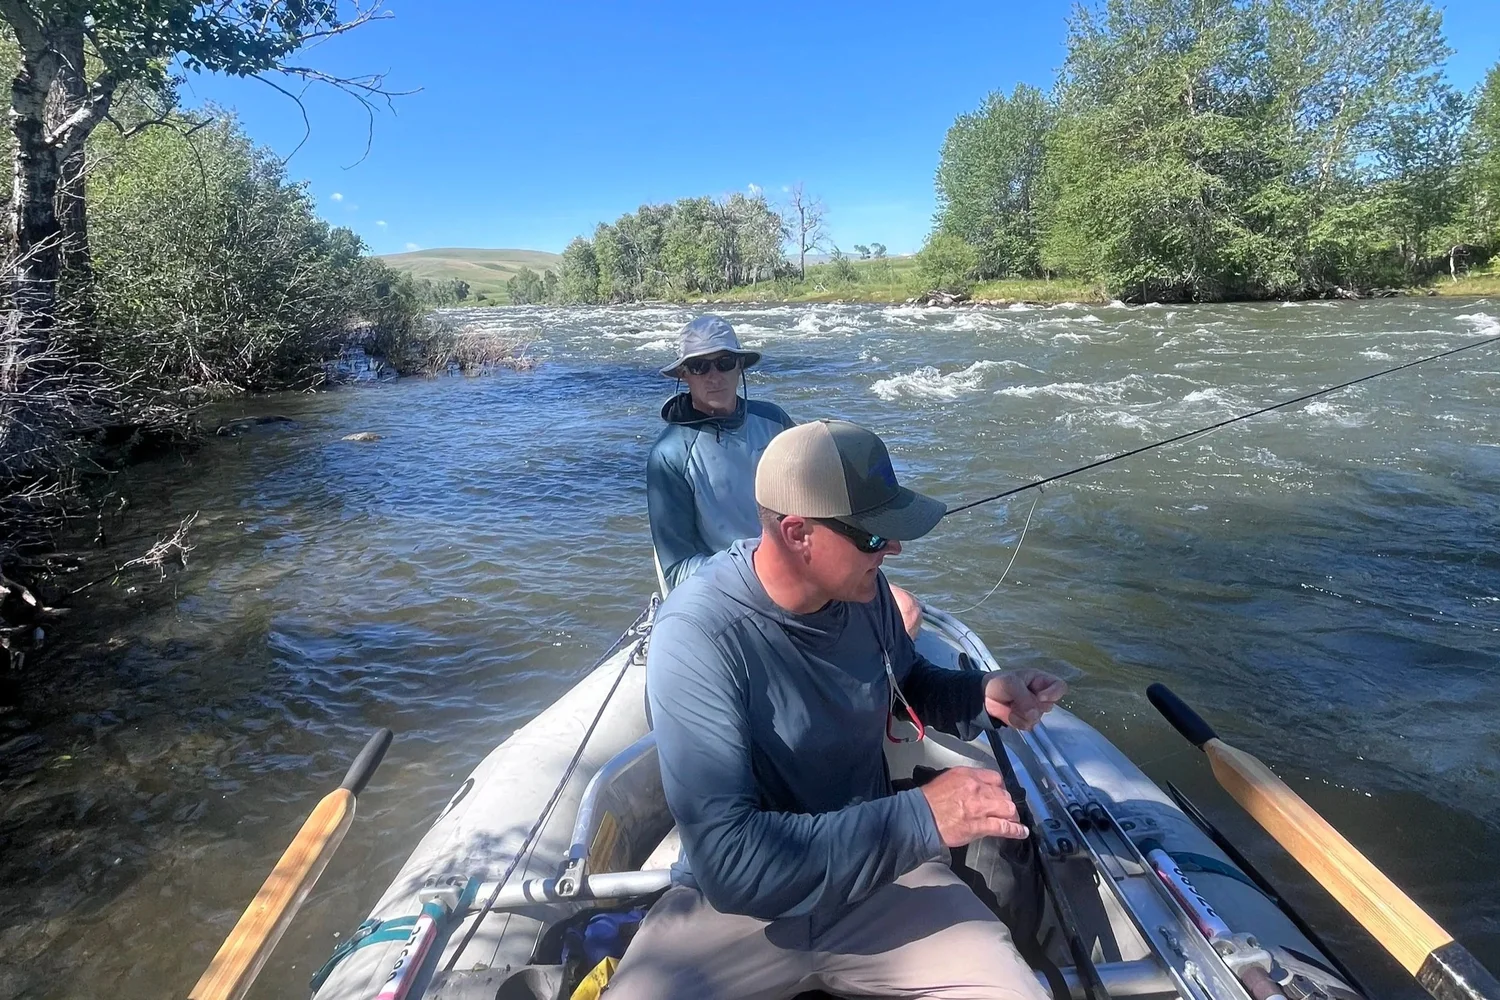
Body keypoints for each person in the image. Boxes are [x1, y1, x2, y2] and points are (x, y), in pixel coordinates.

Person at [606, 419, 1067, 1000]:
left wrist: (981, 694)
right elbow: (729, 863)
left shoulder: (866, 593)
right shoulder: (698, 637)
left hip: (881, 878)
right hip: (738, 909)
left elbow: (905, 679)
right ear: (798, 534)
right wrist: (923, 816)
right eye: (874, 536)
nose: (893, 548)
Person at [646, 315, 924, 635]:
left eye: (724, 362)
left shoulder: (774, 420)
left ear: (740, 367)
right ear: (683, 373)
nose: (713, 376)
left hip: (806, 567)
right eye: (699, 367)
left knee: (907, 610)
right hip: (737, 591)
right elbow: (679, 571)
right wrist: (760, 572)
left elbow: (818, 499)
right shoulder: (669, 456)